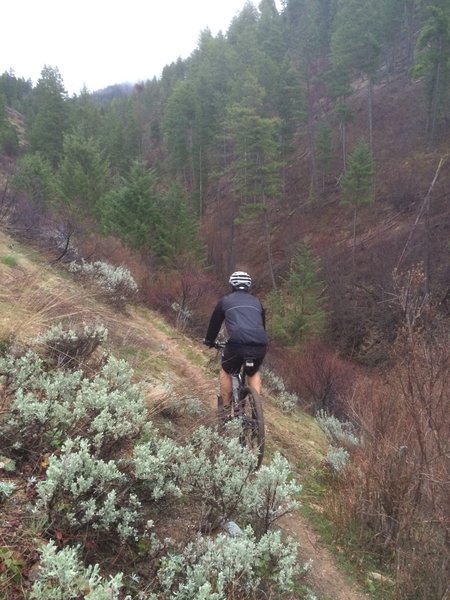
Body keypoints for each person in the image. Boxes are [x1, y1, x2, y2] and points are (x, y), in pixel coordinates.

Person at [203, 271, 268, 414]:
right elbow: (262, 325)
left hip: (238, 343)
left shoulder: (226, 301)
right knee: (253, 371)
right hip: (260, 343)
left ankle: (226, 410)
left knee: (226, 370)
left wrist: (209, 340)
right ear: (249, 286)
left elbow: (215, 323)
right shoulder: (257, 302)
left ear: (232, 285)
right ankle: (257, 411)